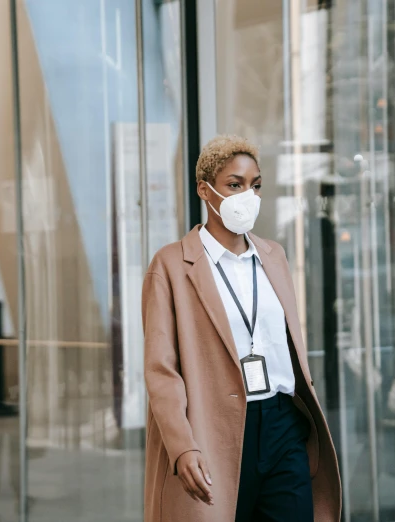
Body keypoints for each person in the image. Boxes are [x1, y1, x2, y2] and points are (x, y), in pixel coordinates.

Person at [142, 135, 341, 522]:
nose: (247, 195)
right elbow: (160, 370)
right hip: (214, 428)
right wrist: (183, 446)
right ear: (205, 189)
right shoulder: (170, 265)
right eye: (235, 184)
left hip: (283, 422)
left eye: (256, 185)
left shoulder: (273, 256)